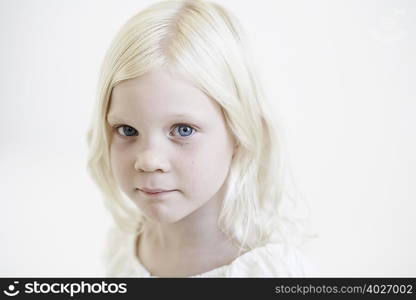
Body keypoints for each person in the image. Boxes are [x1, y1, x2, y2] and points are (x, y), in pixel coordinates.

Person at [86, 0, 316, 277]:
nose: (148, 161)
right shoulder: (124, 244)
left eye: (183, 130)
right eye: (127, 130)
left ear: (239, 132)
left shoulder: (268, 271)